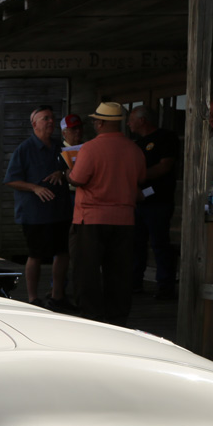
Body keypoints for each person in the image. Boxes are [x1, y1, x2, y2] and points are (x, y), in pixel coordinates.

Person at [67, 101, 147, 326]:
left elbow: (77, 179)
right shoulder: (134, 149)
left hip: (91, 218)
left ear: (101, 123)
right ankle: (117, 318)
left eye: (95, 121)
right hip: (124, 219)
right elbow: (141, 179)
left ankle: (91, 317)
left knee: (87, 271)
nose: (93, 124)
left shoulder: (90, 148)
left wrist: (67, 173)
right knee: (120, 272)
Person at [3, 105, 73, 311]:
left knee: (63, 253)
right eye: (45, 118)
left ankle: (57, 296)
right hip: (35, 213)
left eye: (52, 118)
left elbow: (73, 169)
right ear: (34, 124)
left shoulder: (60, 146)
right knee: (36, 255)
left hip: (60, 210)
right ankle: (33, 299)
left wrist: (62, 173)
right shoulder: (24, 149)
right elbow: (11, 180)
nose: (50, 122)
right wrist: (35, 187)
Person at [127, 106, 180, 299]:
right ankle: (134, 283)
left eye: (131, 119)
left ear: (142, 120)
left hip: (159, 200)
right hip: (138, 201)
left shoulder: (166, 137)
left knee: (159, 243)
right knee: (136, 244)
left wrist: (140, 176)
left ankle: (165, 286)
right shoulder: (136, 144)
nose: (128, 123)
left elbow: (165, 166)